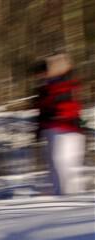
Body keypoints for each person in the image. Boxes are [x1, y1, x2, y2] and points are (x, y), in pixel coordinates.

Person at [34, 54, 87, 195]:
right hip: (57, 128)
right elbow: (42, 110)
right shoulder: (47, 88)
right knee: (58, 164)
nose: (40, 76)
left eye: (43, 72)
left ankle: (68, 196)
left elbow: (70, 106)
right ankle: (64, 195)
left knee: (62, 163)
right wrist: (39, 128)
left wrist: (57, 115)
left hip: (65, 128)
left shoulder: (64, 86)